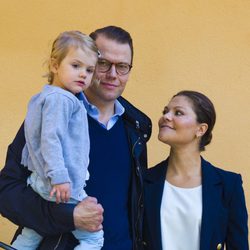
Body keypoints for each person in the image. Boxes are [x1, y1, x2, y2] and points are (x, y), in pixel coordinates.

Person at [0, 26, 152, 250]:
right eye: (103, 63)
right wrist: (68, 215)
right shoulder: (50, 116)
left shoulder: (136, 129)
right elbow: (7, 192)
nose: (112, 74)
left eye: (122, 67)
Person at [11, 30, 104, 250]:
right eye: (76, 66)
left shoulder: (47, 96)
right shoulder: (62, 100)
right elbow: (51, 139)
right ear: (54, 65)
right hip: (61, 185)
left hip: (41, 182)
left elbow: (34, 137)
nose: (83, 74)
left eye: (89, 70)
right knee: (93, 238)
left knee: (32, 232)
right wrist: (60, 177)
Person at [142, 90, 249, 250]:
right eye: (165, 111)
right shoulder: (144, 180)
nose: (166, 116)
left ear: (201, 129)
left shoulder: (228, 185)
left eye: (178, 112)